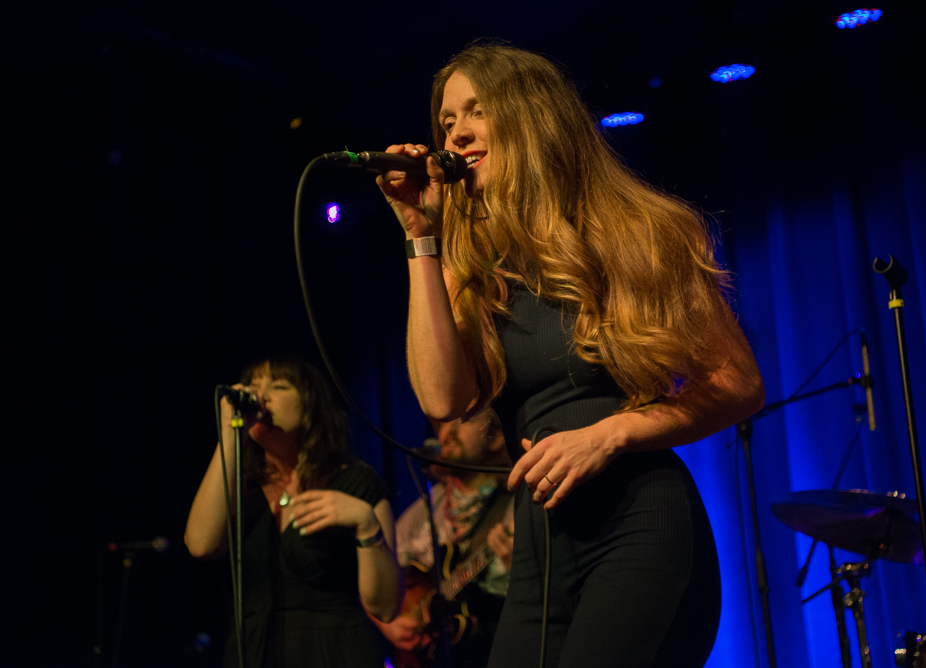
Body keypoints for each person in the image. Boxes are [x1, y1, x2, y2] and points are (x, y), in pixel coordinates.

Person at [376, 43, 766, 668]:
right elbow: (442, 398)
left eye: (477, 111)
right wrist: (423, 240)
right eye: (447, 122)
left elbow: (739, 382)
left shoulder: (639, 231)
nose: (457, 134)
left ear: (532, 116)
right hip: (543, 544)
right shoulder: (473, 266)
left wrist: (610, 434)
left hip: (640, 522)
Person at [184, 357, 403, 668]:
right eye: (254, 386)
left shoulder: (355, 483)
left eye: (278, 386)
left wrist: (367, 524)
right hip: (256, 654)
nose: (260, 396)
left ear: (311, 404)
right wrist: (231, 434)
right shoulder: (239, 487)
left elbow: (386, 607)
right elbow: (200, 544)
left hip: (337, 653)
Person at [372, 410, 514, 668]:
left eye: (463, 419)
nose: (446, 433)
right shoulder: (427, 507)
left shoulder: (517, 504)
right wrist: (389, 625)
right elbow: (375, 577)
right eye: (441, 425)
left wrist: (519, 568)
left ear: (497, 437)